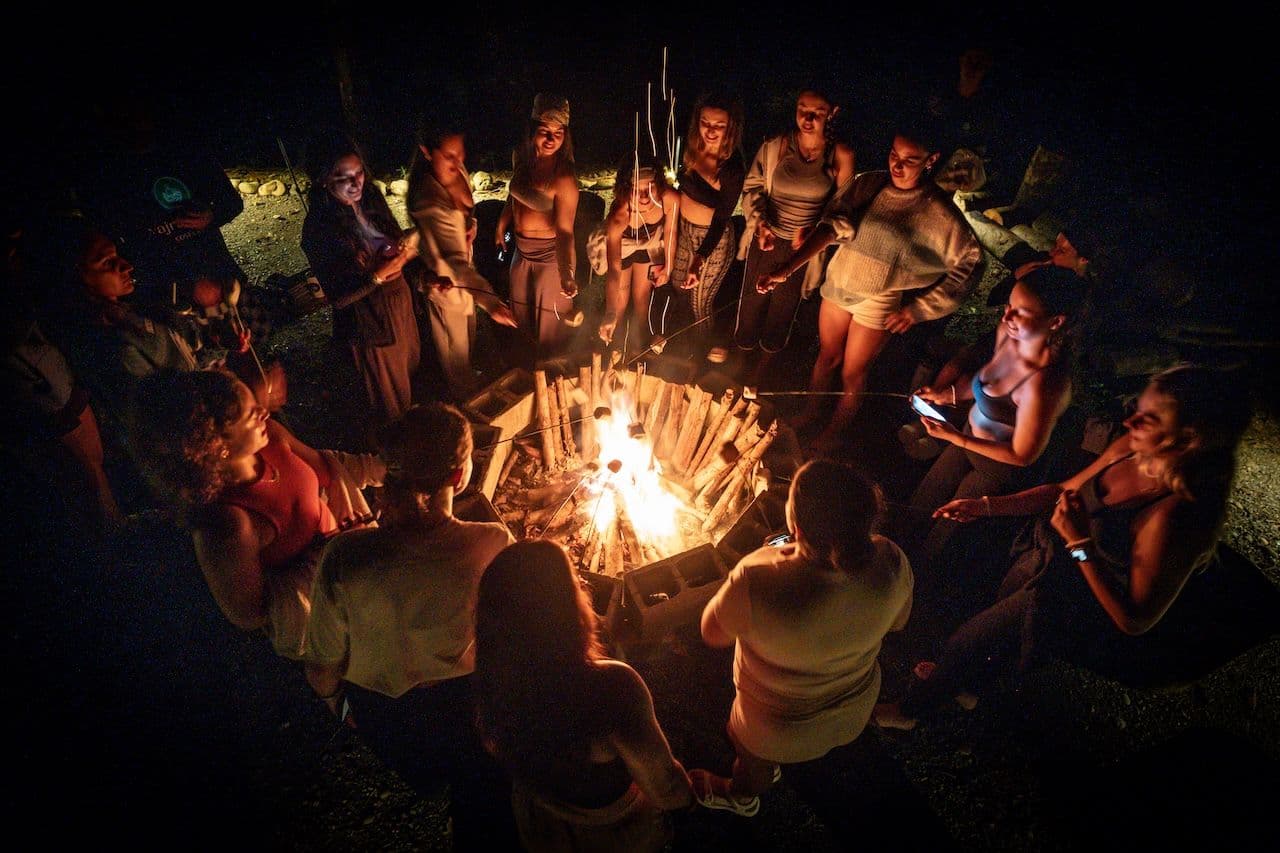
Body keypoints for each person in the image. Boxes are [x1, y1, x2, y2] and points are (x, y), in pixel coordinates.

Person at [873, 364, 1252, 729]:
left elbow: (1135, 619)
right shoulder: (1130, 448)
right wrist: (986, 507)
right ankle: (966, 684)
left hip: (1070, 593)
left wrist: (1080, 542)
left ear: (1186, 440)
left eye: (1149, 420)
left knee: (967, 639)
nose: (1130, 422)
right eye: (1138, 410)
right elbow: (1063, 490)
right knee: (993, 632)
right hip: (1045, 554)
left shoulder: (1175, 516)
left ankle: (910, 711)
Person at [306, 402, 516, 847]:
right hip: (469, 707)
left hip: (384, 712)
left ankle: (431, 786)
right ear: (459, 476)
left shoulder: (344, 557)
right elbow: (518, 639)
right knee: (480, 795)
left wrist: (341, 708)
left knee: (419, 768)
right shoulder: (492, 544)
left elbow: (322, 666)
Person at [693, 459, 914, 815]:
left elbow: (711, 632)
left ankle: (743, 795)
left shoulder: (758, 575)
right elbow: (898, 623)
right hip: (852, 713)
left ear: (795, 527)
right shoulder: (891, 561)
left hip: (773, 731)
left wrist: (765, 559)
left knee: (751, 757)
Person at [759, 121, 981, 453]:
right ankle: (810, 412)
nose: (898, 164)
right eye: (894, 154)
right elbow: (832, 226)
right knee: (826, 357)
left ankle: (834, 431)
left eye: (910, 159)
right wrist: (788, 268)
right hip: (842, 281)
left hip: (879, 299)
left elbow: (972, 261)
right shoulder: (870, 184)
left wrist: (920, 309)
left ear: (930, 160)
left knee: (853, 372)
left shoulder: (938, 212)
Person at [131, 369, 377, 658]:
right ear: (217, 445)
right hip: (333, 612)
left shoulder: (270, 438)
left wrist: (392, 465)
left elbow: (328, 469)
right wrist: (330, 568)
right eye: (251, 414)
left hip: (358, 565)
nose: (264, 411)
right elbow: (252, 613)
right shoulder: (228, 524)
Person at [474, 540, 694, 850]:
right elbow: (666, 789)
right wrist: (694, 798)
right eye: (575, 583)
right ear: (565, 607)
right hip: (612, 830)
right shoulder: (612, 688)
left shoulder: (491, 680)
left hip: (543, 819)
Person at [906, 265, 1087, 568]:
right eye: (1009, 306)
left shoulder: (1046, 384)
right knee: (921, 502)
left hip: (994, 468)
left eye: (1021, 312)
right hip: (963, 437)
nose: (1007, 317)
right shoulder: (1007, 334)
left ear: (1055, 322)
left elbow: (1022, 454)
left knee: (945, 528)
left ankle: (916, 579)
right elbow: (986, 381)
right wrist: (947, 395)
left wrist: (956, 437)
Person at [71, 93, 248, 310]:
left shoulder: (185, 153)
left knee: (244, 334)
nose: (135, 123)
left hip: (218, 271)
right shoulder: (103, 177)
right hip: (164, 295)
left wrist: (211, 215)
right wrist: (181, 287)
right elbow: (109, 248)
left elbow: (231, 202)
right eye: (123, 118)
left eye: (138, 114)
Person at [734, 88, 855, 390]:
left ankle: (762, 371)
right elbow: (753, 188)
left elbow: (843, 208)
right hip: (767, 238)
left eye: (817, 111)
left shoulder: (840, 155)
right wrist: (760, 222)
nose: (808, 118)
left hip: (803, 250)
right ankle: (739, 363)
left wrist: (814, 229)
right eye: (802, 108)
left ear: (832, 113)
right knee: (750, 302)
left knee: (783, 308)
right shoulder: (776, 146)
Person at [301, 130, 421, 423]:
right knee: (389, 401)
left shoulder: (370, 200)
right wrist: (376, 277)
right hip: (371, 323)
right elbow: (339, 297)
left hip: (399, 304)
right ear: (325, 180)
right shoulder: (319, 229)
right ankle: (391, 455)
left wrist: (407, 243)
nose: (357, 182)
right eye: (345, 177)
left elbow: (390, 238)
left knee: (409, 375)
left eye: (359, 172)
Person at [407, 121, 518, 400]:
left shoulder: (452, 170)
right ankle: (465, 413)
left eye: (460, 154)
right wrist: (491, 302)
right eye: (449, 156)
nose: (458, 162)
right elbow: (455, 266)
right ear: (426, 152)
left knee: (468, 343)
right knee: (456, 359)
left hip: (466, 278)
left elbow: (468, 211)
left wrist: (470, 225)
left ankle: (471, 390)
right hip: (446, 286)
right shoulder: (429, 203)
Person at [494, 94, 580, 357]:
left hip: (551, 256)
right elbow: (516, 195)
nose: (552, 139)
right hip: (521, 251)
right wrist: (503, 222)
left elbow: (565, 232)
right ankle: (522, 375)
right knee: (519, 318)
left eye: (559, 133)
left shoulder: (564, 178)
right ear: (532, 130)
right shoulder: (520, 158)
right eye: (545, 131)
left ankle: (552, 378)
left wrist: (566, 272)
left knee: (550, 327)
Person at [663, 92, 746, 361]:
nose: (710, 131)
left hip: (712, 242)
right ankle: (679, 348)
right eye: (705, 122)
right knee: (677, 290)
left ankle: (704, 356)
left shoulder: (731, 165)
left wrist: (700, 259)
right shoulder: (692, 149)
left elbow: (722, 216)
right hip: (685, 230)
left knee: (700, 303)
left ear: (730, 128)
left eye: (718, 126)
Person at [596, 154, 679, 354]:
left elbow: (670, 232)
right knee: (620, 302)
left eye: (650, 187)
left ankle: (641, 347)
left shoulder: (670, 199)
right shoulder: (620, 214)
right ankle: (613, 348)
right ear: (626, 190)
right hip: (624, 248)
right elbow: (614, 269)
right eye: (636, 190)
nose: (644, 196)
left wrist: (668, 267)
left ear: (659, 184)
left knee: (642, 297)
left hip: (647, 245)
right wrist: (609, 312)